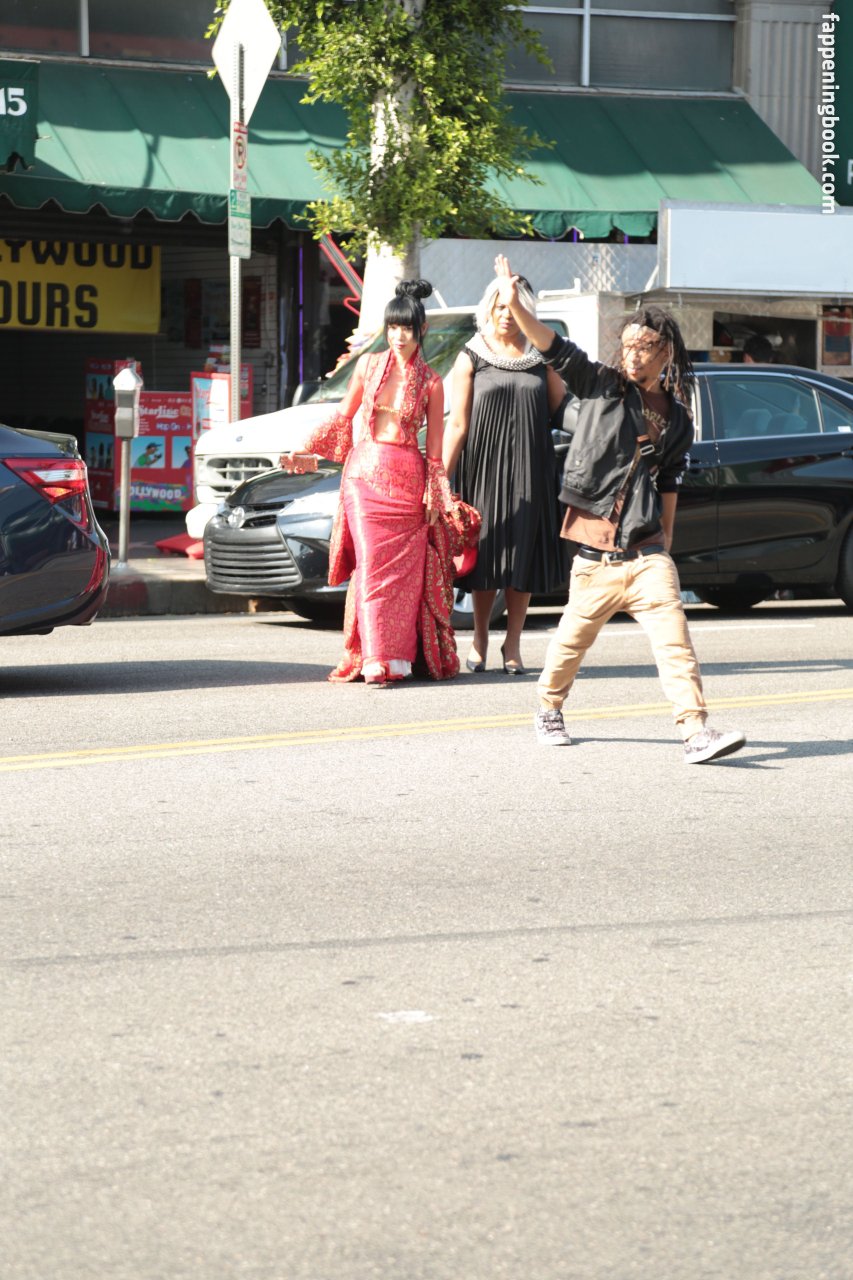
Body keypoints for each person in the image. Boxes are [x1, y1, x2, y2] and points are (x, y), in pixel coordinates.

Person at [493, 254, 746, 764]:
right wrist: (515, 304)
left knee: (675, 644)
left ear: (665, 352)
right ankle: (548, 707)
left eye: (644, 347)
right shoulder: (602, 384)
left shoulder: (677, 419)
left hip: (647, 553)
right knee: (570, 645)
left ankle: (695, 731)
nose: (632, 355)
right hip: (596, 555)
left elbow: (669, 479)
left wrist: (665, 541)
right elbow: (553, 346)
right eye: (627, 345)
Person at [280, 280, 457, 686]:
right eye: (393, 328)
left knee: (404, 579)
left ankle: (397, 658)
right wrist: (304, 449)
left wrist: (434, 495)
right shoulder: (367, 365)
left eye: (407, 328)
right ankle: (374, 657)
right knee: (372, 567)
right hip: (364, 478)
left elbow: (434, 451)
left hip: (408, 483)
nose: (399, 336)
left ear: (422, 330)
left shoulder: (432, 383)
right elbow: (343, 416)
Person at [442, 274, 568, 674]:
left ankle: (512, 643)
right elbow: (457, 424)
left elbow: (564, 412)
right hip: (483, 467)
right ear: (489, 309)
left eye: (513, 307)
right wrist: (440, 479)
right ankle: (480, 638)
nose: (506, 314)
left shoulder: (542, 356)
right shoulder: (471, 355)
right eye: (500, 306)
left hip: (532, 468)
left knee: (523, 557)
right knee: (487, 557)